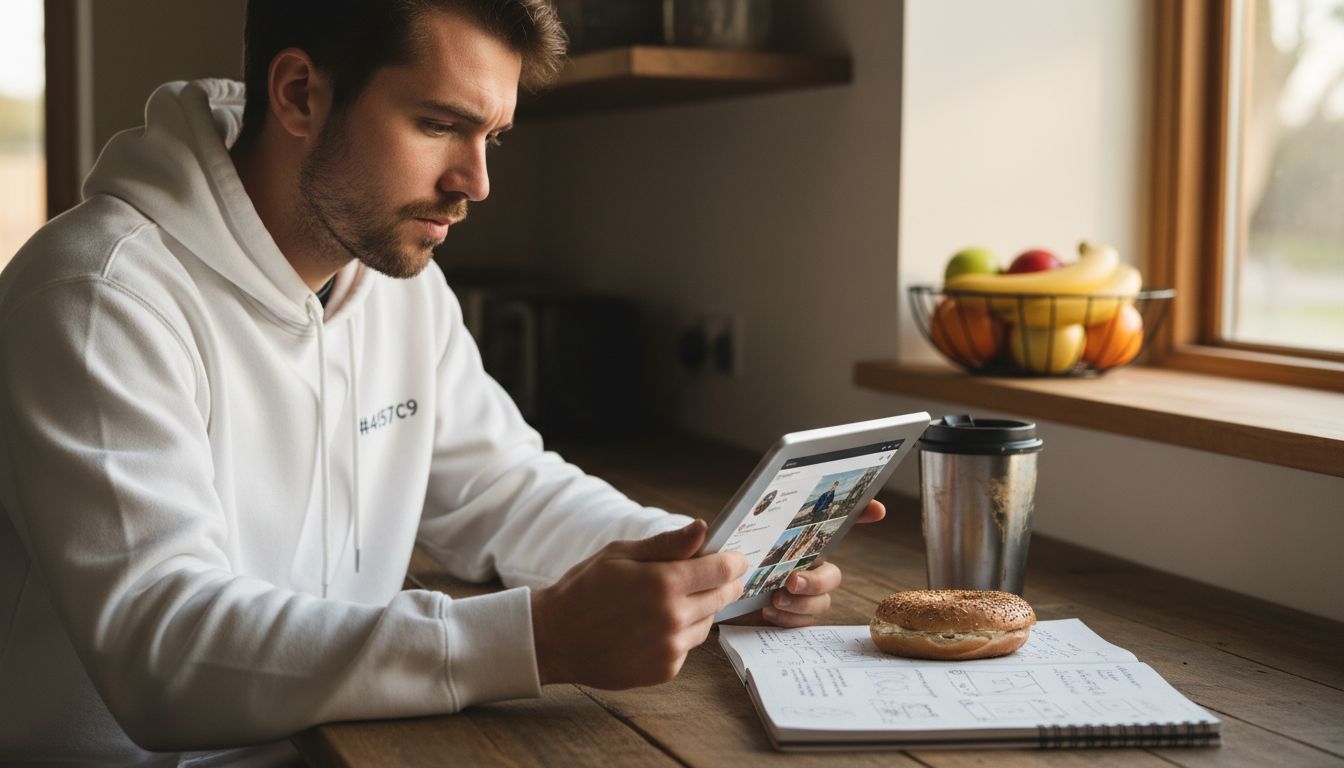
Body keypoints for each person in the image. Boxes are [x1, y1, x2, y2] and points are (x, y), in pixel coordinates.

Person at [0, 1, 883, 764]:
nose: (478, 182)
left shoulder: (398, 284)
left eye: (491, 136)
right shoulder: (96, 296)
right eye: (438, 125)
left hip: (341, 743)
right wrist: (539, 637)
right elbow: (165, 654)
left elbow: (501, 487)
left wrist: (709, 562)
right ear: (300, 93)